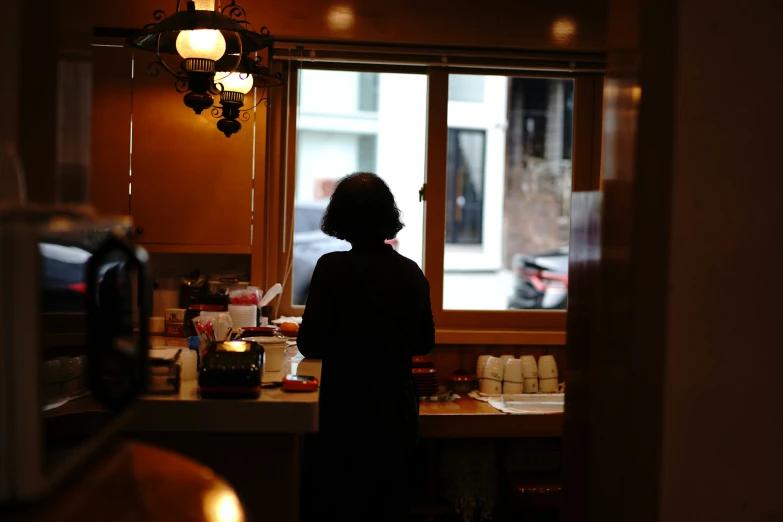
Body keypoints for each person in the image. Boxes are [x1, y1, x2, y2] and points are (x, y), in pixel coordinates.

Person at [297, 172, 435, 522]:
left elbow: (310, 344)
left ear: (339, 219)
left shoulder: (331, 268)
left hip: (341, 416)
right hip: (394, 417)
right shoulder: (411, 272)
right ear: (388, 217)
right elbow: (424, 342)